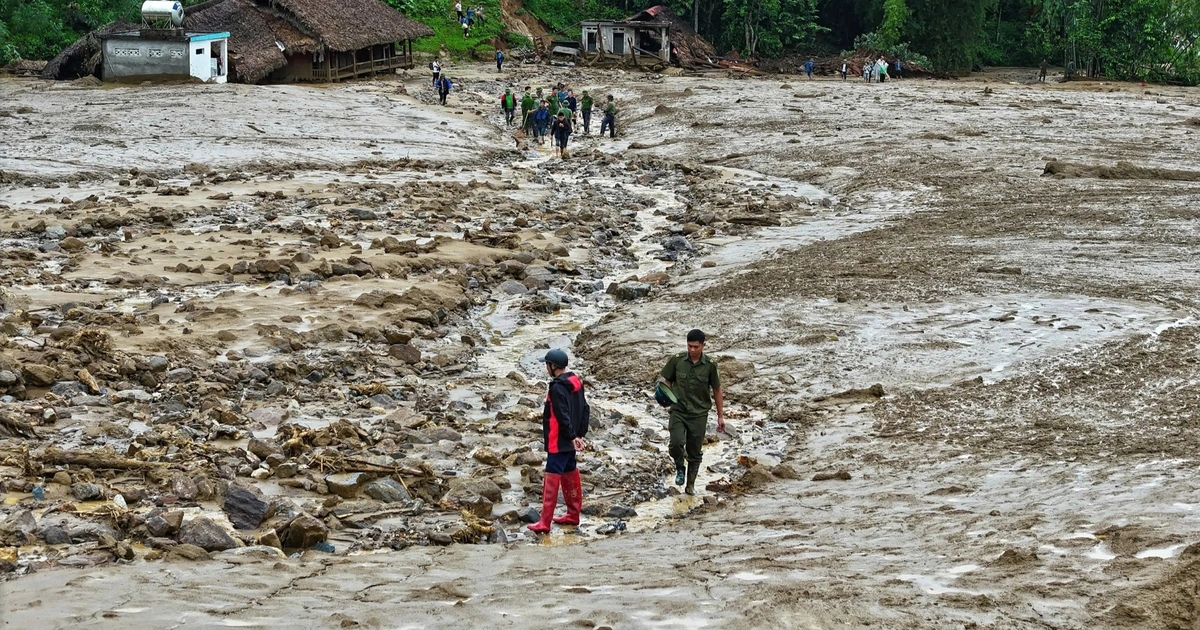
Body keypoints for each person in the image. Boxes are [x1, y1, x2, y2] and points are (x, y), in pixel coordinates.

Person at [527, 349, 588, 534]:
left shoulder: (556, 388)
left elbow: (561, 416)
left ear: (552, 366)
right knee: (570, 471)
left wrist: (570, 436)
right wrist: (579, 435)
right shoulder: (576, 382)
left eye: (547, 365)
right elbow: (585, 409)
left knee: (551, 478)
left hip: (558, 440)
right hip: (571, 439)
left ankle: (544, 521)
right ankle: (573, 514)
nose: (546, 368)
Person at [658, 329, 724, 495]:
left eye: (696, 347)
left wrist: (720, 416)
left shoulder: (710, 365)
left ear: (703, 345)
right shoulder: (677, 360)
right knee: (675, 444)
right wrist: (665, 395)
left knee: (694, 451)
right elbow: (667, 380)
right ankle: (680, 467)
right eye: (689, 346)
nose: (692, 350)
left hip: (699, 414)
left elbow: (717, 389)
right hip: (678, 410)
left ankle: (690, 485)